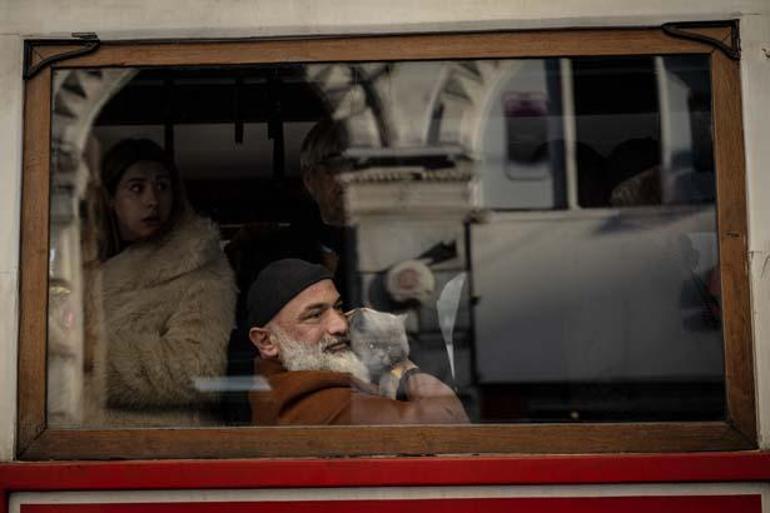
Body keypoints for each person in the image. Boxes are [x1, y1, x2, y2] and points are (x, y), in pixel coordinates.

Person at [83, 138, 236, 426]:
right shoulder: (81, 270)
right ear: (111, 199)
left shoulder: (199, 267)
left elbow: (199, 372)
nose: (152, 200)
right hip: (75, 442)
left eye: (162, 186)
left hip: (161, 444)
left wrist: (94, 353)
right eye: (136, 188)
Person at [246, 258, 469, 425]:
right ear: (266, 341)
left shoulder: (280, 387)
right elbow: (448, 422)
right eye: (314, 315)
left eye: (339, 307)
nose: (341, 325)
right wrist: (403, 367)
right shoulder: (326, 405)